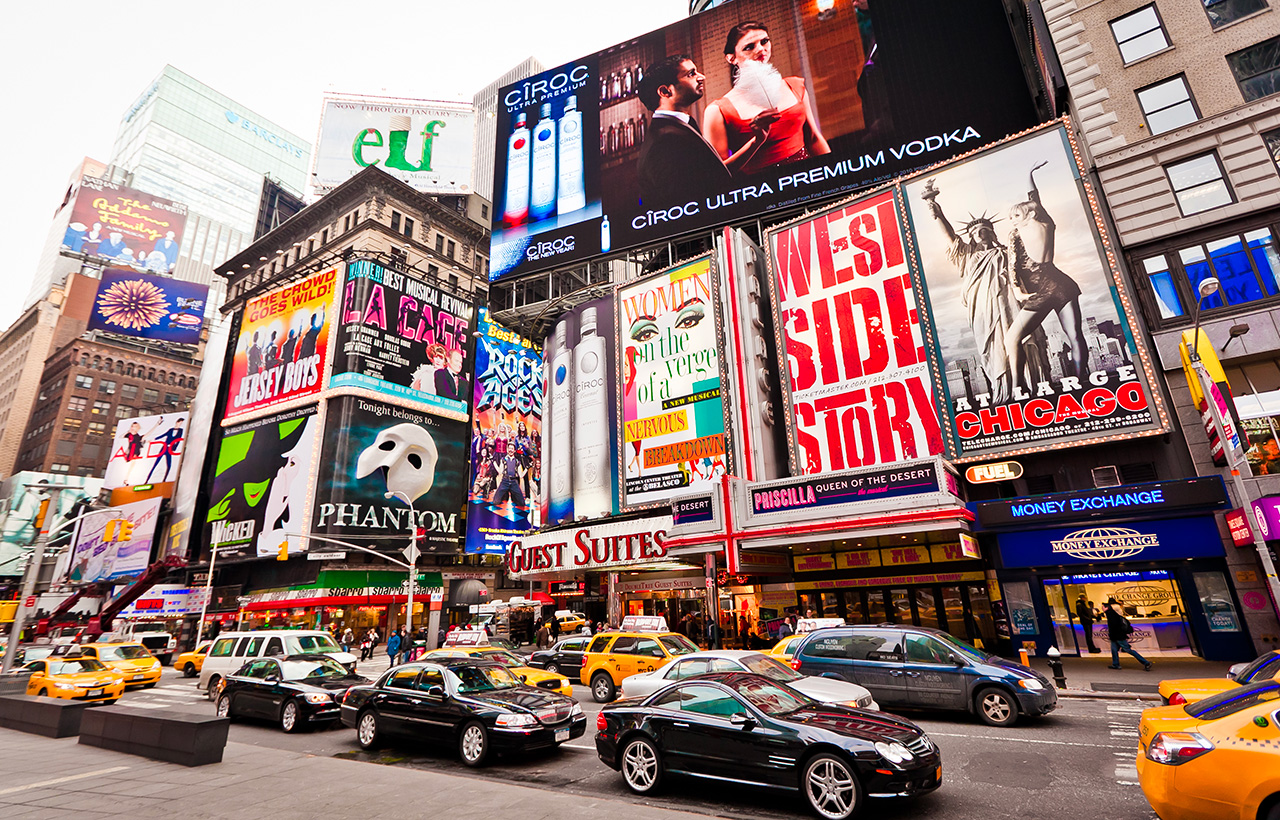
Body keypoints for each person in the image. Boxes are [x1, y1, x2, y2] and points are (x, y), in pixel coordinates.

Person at [919, 177, 1047, 403]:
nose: (978, 233)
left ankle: (1029, 387)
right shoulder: (968, 256)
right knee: (995, 348)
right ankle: (1004, 391)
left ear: (991, 232)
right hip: (984, 309)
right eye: (974, 231)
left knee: (1022, 341)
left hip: (1012, 303)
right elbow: (950, 236)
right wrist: (936, 210)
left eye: (983, 229)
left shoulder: (1007, 251)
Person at [702, 21, 830, 177]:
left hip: (809, 176)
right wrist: (757, 141)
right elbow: (718, 173)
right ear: (731, 58)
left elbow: (814, 138)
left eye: (764, 41)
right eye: (749, 47)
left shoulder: (795, 86)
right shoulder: (718, 111)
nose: (761, 49)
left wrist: (834, 176)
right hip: (762, 190)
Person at [1003, 160, 1088, 382]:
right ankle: (1081, 381)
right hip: (1062, 285)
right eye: (1011, 217)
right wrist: (1029, 174)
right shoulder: (1047, 223)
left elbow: (1012, 264)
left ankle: (1017, 388)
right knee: (1075, 336)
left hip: (1041, 291)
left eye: (1016, 216)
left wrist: (1017, 291)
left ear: (1030, 215)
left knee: (1012, 338)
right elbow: (1035, 199)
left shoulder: (1015, 235)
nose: (1012, 221)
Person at [635, 55, 733, 205]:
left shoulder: (680, 124)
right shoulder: (665, 141)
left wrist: (758, 140)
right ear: (665, 91)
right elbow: (685, 202)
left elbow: (712, 175)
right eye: (691, 74)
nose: (702, 77)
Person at [1104, 598, 1153, 671]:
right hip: (1117, 635)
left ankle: (1146, 662)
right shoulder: (1117, 611)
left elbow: (1113, 626)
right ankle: (1115, 664)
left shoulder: (1112, 614)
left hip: (1117, 635)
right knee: (1114, 650)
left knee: (1128, 650)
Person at [145, 417, 185, 483]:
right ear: (177, 422)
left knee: (169, 465)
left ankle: (164, 480)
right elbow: (163, 435)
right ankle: (147, 480)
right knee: (156, 464)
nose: (180, 425)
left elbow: (178, 440)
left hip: (170, 449)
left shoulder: (180, 430)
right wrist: (154, 439)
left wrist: (174, 448)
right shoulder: (170, 430)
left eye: (181, 424)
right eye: (179, 423)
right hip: (164, 448)